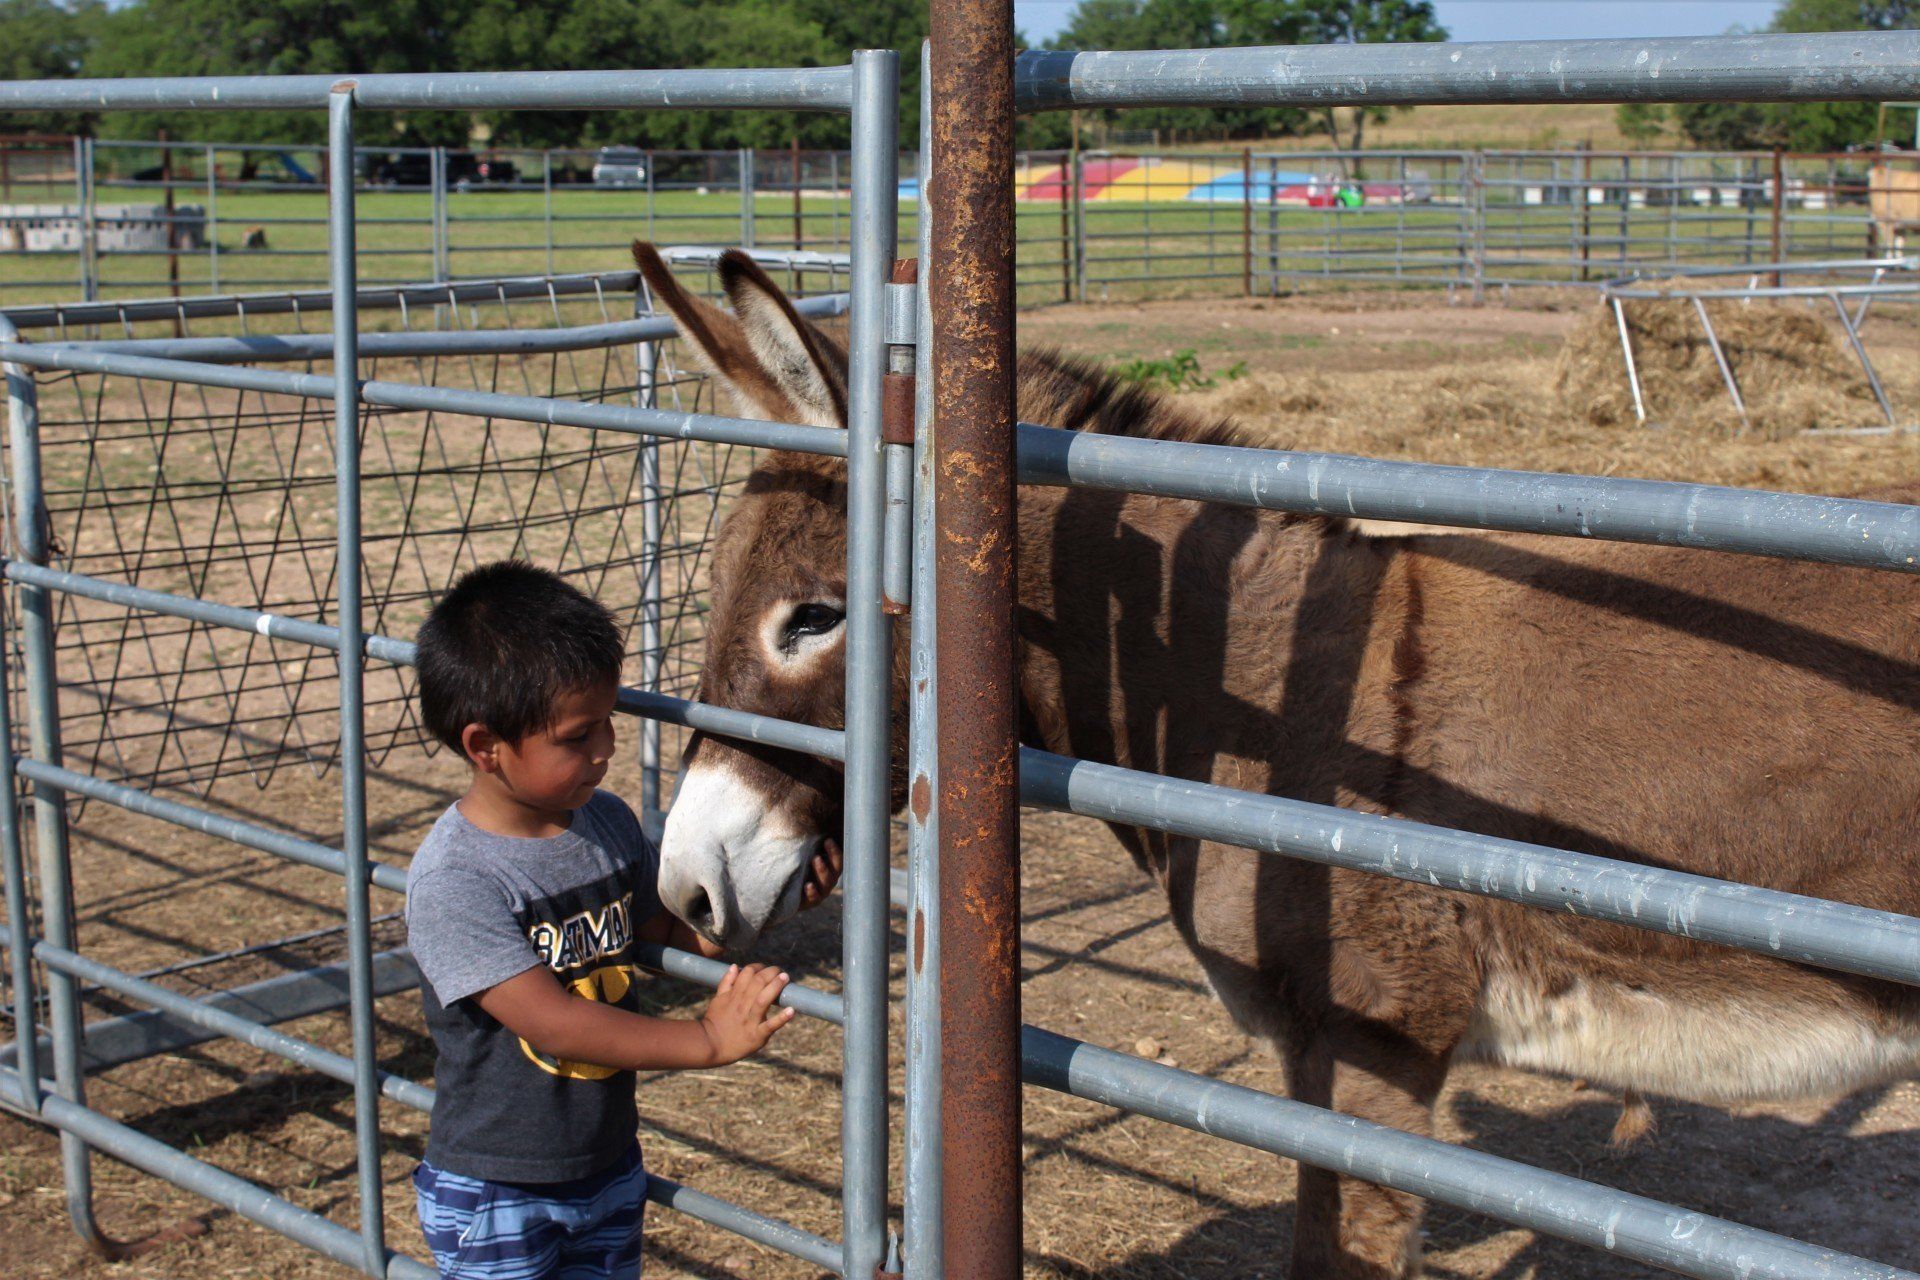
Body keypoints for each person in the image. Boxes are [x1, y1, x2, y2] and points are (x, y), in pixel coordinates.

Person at [404, 560, 839, 1279]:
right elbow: (554, 1024)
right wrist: (706, 1040)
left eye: (607, 722)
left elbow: (661, 931)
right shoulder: (457, 881)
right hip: (498, 1188)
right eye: (578, 737)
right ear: (485, 747)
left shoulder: (603, 822)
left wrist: (774, 901)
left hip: (605, 1167)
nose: (606, 748)